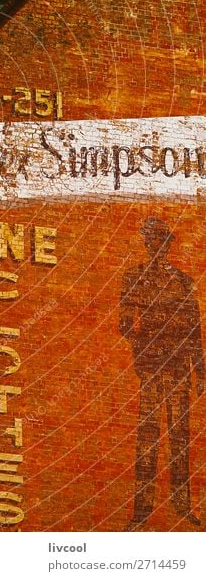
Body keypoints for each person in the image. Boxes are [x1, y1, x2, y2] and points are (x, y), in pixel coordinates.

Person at [119, 216, 204, 530]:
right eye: (148, 239)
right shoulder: (134, 277)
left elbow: (195, 331)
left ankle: (182, 506)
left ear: (166, 244)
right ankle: (142, 511)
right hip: (153, 368)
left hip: (180, 367)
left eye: (158, 239)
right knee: (148, 439)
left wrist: (201, 373)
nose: (152, 244)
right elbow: (125, 323)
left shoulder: (183, 282)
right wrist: (147, 345)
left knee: (180, 438)